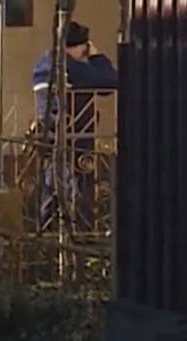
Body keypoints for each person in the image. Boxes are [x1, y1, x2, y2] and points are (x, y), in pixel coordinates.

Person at [31, 21, 118, 233]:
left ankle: (47, 232)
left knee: (52, 183)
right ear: (75, 46)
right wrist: (96, 57)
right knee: (78, 188)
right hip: (76, 134)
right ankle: (81, 236)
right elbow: (111, 81)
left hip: (51, 134)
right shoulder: (71, 67)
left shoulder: (44, 63)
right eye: (84, 48)